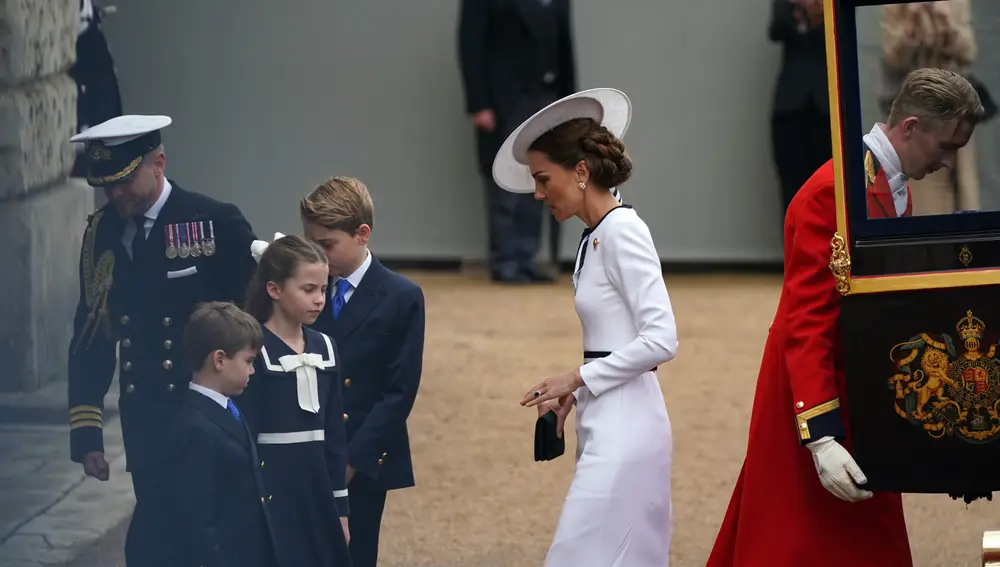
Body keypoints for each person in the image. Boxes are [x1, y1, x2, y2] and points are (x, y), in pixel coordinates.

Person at [704, 68, 983, 567]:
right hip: (817, 387)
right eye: (945, 147)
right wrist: (822, 435)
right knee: (794, 535)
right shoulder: (831, 192)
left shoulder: (890, 183)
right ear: (911, 127)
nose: (947, 162)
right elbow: (807, 318)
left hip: (860, 382)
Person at [495, 88, 679, 567]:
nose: (537, 193)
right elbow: (613, 343)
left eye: (542, 179)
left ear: (580, 172)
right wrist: (574, 396)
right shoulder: (593, 235)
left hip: (628, 428)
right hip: (605, 419)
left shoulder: (622, 230)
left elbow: (662, 339)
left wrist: (575, 379)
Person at [66, 114, 259, 566]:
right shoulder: (102, 232)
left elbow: (255, 320)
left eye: (124, 180)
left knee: (207, 537)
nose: (115, 194)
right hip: (148, 419)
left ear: (159, 163)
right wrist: (87, 430)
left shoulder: (214, 222)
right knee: (156, 542)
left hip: (210, 419)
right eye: (106, 185)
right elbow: (91, 330)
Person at [302, 176, 425, 567]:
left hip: (363, 456)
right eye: (311, 243)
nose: (319, 256)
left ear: (362, 234)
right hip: (305, 449)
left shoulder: (401, 296)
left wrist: (352, 462)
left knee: (353, 555)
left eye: (327, 245)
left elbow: (399, 391)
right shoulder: (302, 290)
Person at [240, 233, 352, 567]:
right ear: (274, 290)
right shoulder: (252, 352)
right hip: (273, 495)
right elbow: (245, 438)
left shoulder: (326, 348)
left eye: (323, 289)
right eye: (308, 290)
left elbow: (334, 438)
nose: (319, 299)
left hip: (317, 495)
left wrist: (341, 511)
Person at [458, 0, 577, 283]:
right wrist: (479, 103)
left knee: (538, 177)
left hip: (546, 98)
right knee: (503, 177)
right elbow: (470, 44)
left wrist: (571, 104)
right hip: (504, 101)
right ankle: (505, 260)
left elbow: (565, 49)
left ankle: (526, 257)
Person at [166, 301, 279, 567]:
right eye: (248, 361)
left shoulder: (229, 408)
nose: (253, 370)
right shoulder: (195, 427)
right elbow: (198, 521)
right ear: (219, 359)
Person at [768, 0, 832, 218]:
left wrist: (820, 14)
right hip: (790, 107)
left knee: (827, 188)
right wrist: (802, 10)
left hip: (827, 107)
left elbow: (842, 30)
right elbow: (775, 30)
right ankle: (793, 250)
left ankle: (828, 251)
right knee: (792, 189)